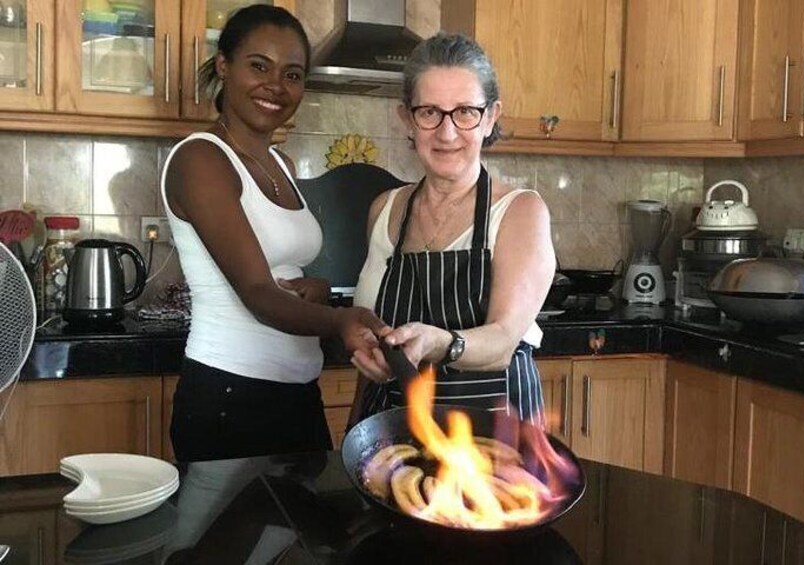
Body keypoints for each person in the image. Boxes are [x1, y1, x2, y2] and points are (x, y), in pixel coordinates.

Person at [161, 5, 388, 462]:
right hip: (230, 394)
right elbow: (258, 291)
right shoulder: (200, 159)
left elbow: (283, 268)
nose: (276, 87)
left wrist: (320, 288)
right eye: (259, 66)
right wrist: (342, 321)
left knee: (306, 534)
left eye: (293, 74)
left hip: (297, 390)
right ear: (224, 65)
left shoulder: (280, 164)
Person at [350, 32, 556, 426]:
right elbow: (372, 329)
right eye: (429, 112)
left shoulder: (520, 212)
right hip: (391, 432)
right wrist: (372, 357)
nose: (447, 133)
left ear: (491, 116)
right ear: (407, 118)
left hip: (495, 439)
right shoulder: (385, 210)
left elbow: (503, 340)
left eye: (465, 112)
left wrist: (438, 343)